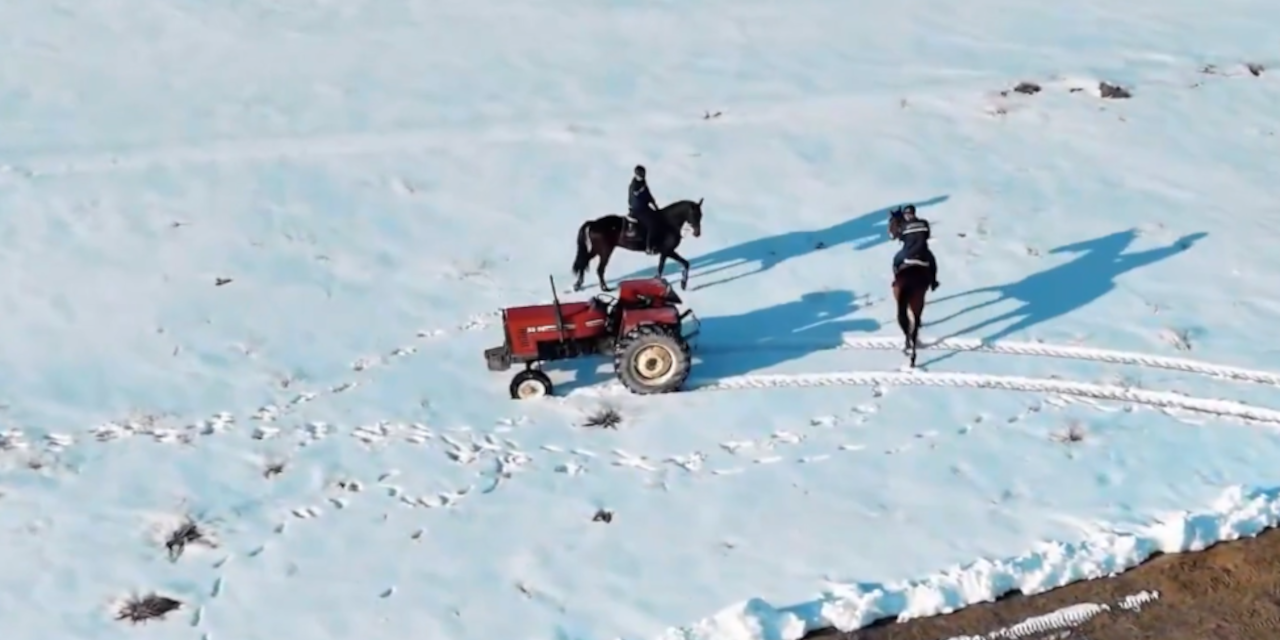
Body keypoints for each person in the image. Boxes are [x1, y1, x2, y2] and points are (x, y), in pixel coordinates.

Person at [891, 204, 939, 290]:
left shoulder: (904, 226)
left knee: (896, 261)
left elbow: (901, 237)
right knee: (932, 262)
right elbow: (927, 235)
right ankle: (933, 282)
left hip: (907, 253)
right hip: (923, 252)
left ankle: (896, 281)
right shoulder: (924, 223)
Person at [628, 165, 660, 254]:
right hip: (638, 209)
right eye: (641, 174)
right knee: (651, 224)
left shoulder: (642, 182)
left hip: (644, 207)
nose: (643, 176)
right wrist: (648, 202)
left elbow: (647, 193)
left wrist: (653, 202)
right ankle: (648, 247)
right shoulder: (634, 186)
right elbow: (637, 199)